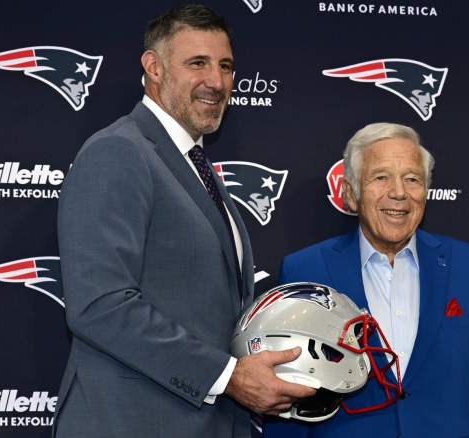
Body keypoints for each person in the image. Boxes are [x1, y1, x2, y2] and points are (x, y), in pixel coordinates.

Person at [52, 5, 314, 438]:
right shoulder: (118, 152)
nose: (216, 81)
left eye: (226, 66)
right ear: (153, 67)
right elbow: (99, 305)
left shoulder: (197, 165)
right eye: (198, 63)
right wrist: (229, 377)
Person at [263, 123, 469, 437]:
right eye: (380, 177)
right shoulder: (305, 269)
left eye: (412, 179)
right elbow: (288, 398)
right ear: (350, 193)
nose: (398, 192)